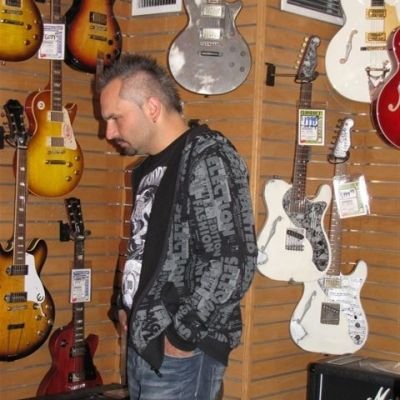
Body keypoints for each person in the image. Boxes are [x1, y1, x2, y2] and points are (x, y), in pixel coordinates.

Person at [96, 53, 257, 400]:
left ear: (152, 108)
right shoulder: (150, 167)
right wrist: (124, 306)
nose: (108, 132)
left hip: (180, 355)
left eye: (115, 118)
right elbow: (146, 247)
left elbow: (232, 263)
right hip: (147, 343)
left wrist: (181, 336)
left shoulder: (207, 156)